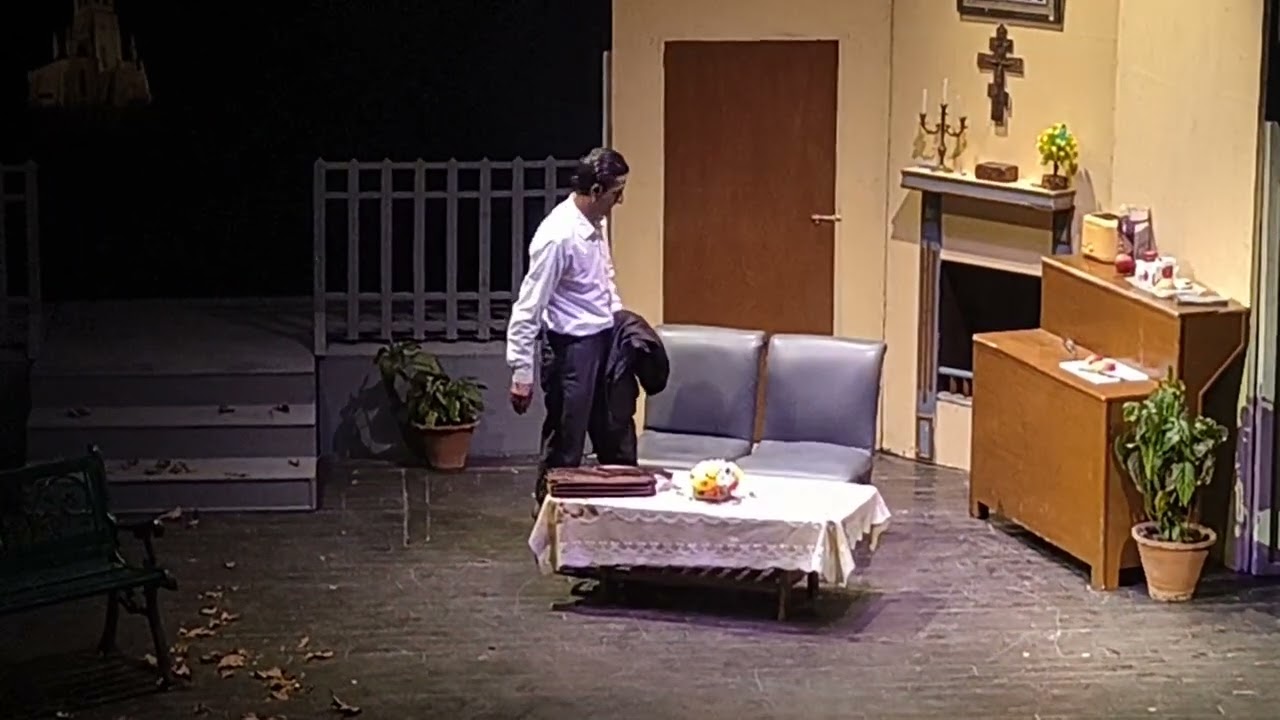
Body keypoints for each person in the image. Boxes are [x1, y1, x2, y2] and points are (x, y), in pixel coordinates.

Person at [506, 147, 630, 514]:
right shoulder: (558, 236)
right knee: (566, 439)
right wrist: (522, 371)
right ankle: (549, 516)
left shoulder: (596, 222)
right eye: (616, 192)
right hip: (571, 349)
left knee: (614, 430)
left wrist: (618, 318)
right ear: (596, 190)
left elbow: (603, 277)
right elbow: (529, 305)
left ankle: (621, 515)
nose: (620, 200)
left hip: (603, 339)